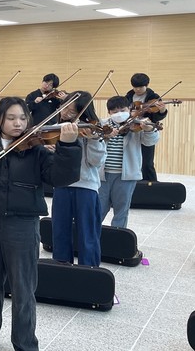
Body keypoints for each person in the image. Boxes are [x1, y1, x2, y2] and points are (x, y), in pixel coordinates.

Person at [0, 97, 82, 351]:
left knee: (23, 288)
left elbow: (61, 177)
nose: (18, 123)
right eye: (11, 118)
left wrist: (69, 146)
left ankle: (25, 344)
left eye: (23, 118)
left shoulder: (37, 148)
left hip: (23, 224)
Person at [51, 91, 106, 266]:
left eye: (72, 111)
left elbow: (95, 162)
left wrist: (94, 140)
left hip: (86, 187)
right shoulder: (54, 128)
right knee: (59, 231)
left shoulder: (90, 130)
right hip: (61, 186)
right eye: (64, 108)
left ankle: (89, 271)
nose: (65, 113)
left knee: (88, 233)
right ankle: (61, 268)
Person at [99, 96, 160, 228]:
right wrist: (104, 136)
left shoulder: (137, 124)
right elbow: (93, 142)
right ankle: (92, 235)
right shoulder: (102, 124)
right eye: (115, 111)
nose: (119, 113)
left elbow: (150, 142)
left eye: (122, 110)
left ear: (129, 109)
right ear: (109, 112)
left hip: (126, 176)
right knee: (98, 209)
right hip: (102, 174)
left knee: (121, 209)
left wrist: (149, 130)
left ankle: (118, 236)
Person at [125, 73, 167, 181]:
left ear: (147, 85)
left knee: (147, 162)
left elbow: (156, 117)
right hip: (131, 129)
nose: (137, 89)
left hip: (147, 131)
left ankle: (151, 185)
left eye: (140, 87)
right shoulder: (128, 97)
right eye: (135, 87)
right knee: (130, 159)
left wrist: (162, 110)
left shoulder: (154, 97)